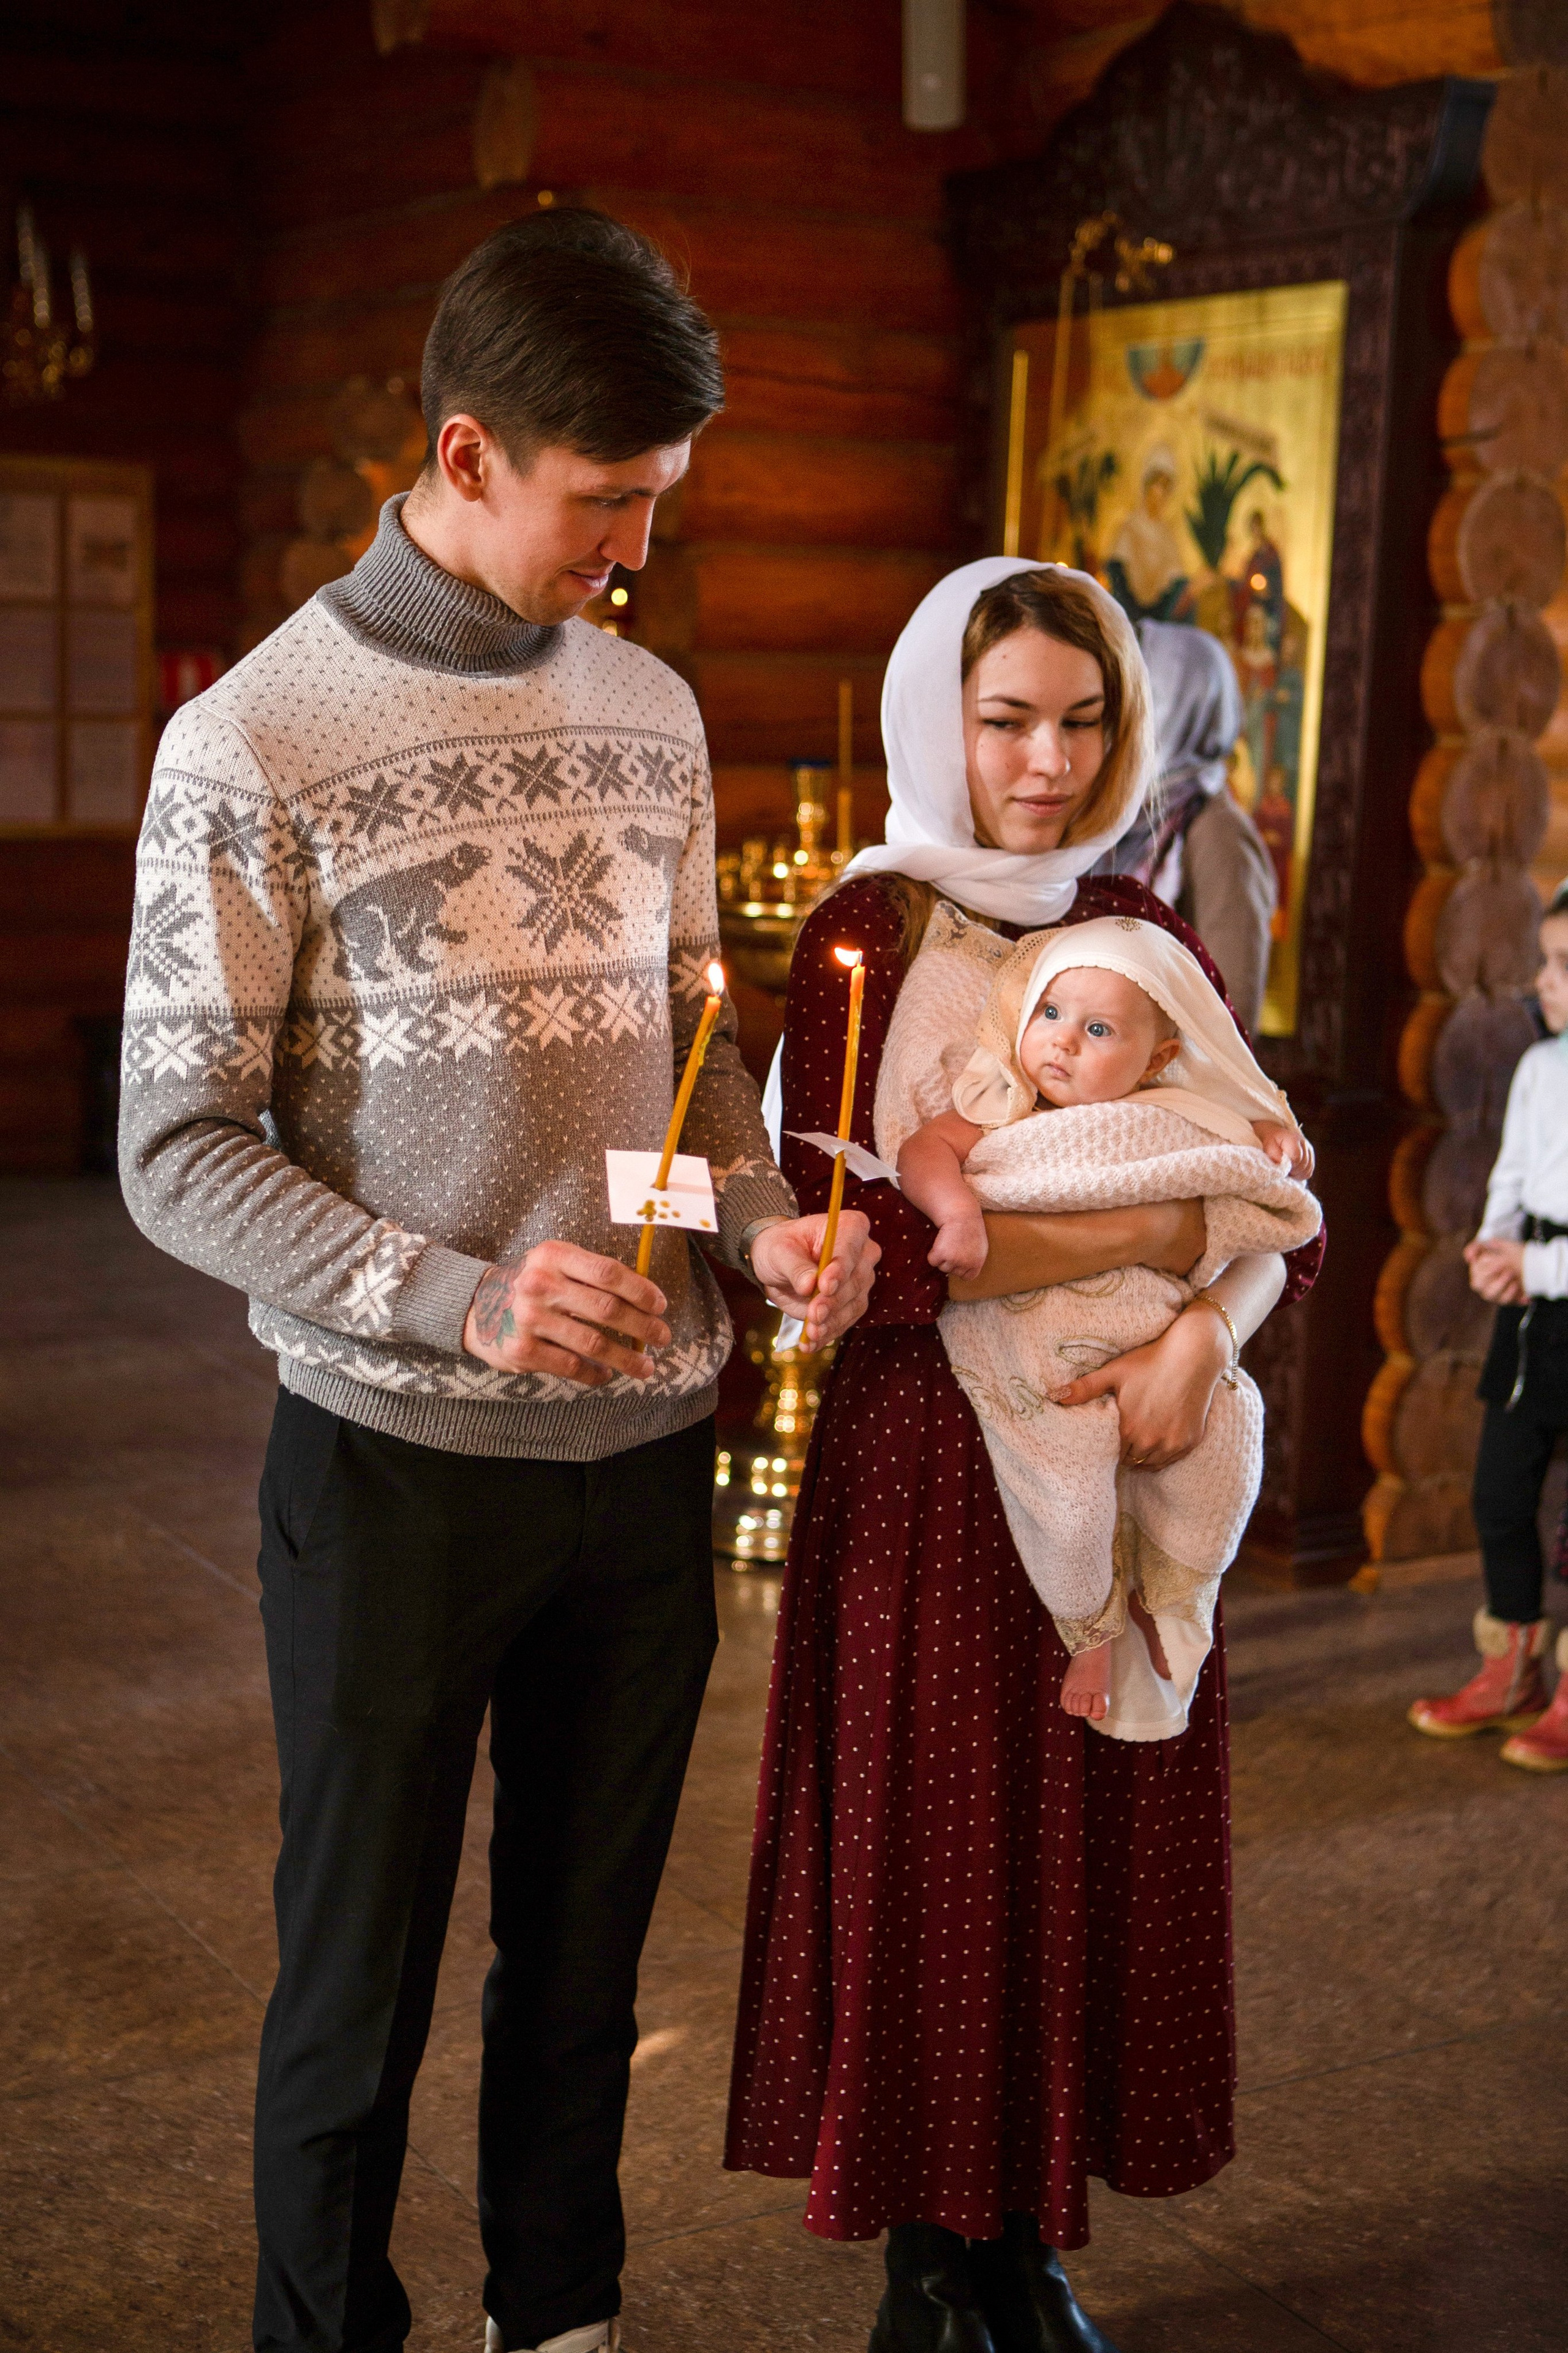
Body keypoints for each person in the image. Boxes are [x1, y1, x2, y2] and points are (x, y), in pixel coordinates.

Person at [118, 208, 877, 2353]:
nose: (633, 555)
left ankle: (561, 2319)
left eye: (660, 505)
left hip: (642, 1467)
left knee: (588, 1971)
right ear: (467, 457)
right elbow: (178, 1154)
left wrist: (749, 1215)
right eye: (604, 504)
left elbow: (677, 1066)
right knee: (352, 1992)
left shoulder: (649, 705)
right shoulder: (251, 742)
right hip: (389, 1471)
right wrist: (463, 1296)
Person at [725, 559, 1323, 2352]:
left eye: (1083, 720)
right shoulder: (871, 934)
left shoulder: (1150, 930)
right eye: (1006, 722)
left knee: (1079, 1826)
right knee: (932, 1842)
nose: (1045, 762)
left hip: (1135, 1448)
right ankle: (927, 2248)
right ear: (943, 722)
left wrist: (1203, 1331)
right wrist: (890, 1256)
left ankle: (1025, 2239)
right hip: (922, 1464)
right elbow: (862, 1232)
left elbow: (1269, 1189)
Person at [894, 917, 1319, 1737]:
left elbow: (1256, 1184)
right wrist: (960, 1215)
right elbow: (923, 1154)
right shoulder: (997, 1109)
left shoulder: (1170, 1112)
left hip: (1159, 1344)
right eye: (1050, 1014)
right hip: (1044, 1352)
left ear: (1157, 1057)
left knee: (1232, 1437)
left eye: (1098, 1031)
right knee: (1072, 1488)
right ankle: (1089, 1627)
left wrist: (1268, 1134)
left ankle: (1175, 1592)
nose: (1061, 1044)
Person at [1409, 886, 1568, 1771]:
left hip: (1554, 1282)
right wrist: (1494, 1245)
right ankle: (1511, 1674)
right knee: (1500, 1493)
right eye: (1548, 960)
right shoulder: (1544, 1068)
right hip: (1530, 1306)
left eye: (1563, 966)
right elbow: (1512, 1171)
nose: (1543, 980)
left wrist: (1539, 1270)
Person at [1095, 618, 1277, 1036]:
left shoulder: (1220, 836)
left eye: (1142, 697)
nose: (1120, 718)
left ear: (1181, 704)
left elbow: (1228, 1025)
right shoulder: (1124, 819)